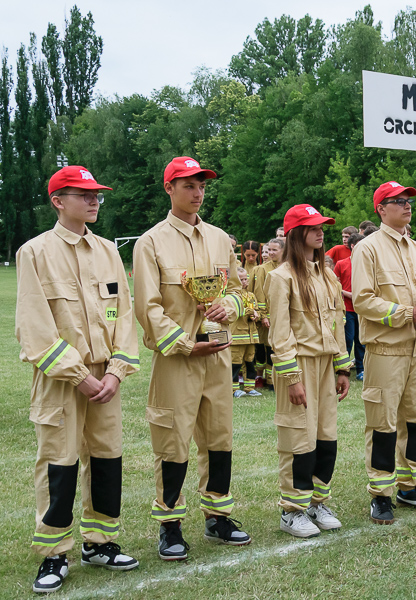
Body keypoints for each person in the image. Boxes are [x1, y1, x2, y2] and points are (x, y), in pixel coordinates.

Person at [16, 166, 141, 593]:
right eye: (83, 194)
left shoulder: (108, 250)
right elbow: (34, 325)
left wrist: (116, 370)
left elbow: (122, 315)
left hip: (106, 377)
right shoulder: (34, 252)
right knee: (59, 463)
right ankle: (54, 553)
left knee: (107, 460)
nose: (93, 201)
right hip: (60, 379)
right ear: (57, 201)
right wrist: (78, 375)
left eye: (97, 195)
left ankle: (100, 542)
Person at [134, 156, 251, 561]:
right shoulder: (150, 242)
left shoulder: (221, 238)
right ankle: (169, 525)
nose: (197, 192)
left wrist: (230, 308)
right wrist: (184, 342)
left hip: (217, 355)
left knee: (219, 438)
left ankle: (218, 516)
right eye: (188, 185)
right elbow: (148, 308)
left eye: (201, 185)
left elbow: (240, 289)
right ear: (169, 188)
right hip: (178, 358)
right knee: (173, 443)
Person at [352, 181, 416, 525]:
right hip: (386, 350)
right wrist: (408, 312)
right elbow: (362, 300)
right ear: (381, 209)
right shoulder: (368, 249)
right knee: (383, 424)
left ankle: (410, 485)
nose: (407, 206)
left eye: (408, 201)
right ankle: (381, 493)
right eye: (398, 201)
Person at [267, 204, 352, 537]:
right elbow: (280, 331)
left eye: (322, 226)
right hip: (298, 364)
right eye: (313, 226)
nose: (320, 231)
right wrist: (291, 377)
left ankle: (318, 502)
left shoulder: (327, 275)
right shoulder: (280, 277)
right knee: (298, 438)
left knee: (325, 436)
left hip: (326, 364)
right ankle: (292, 510)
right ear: (295, 233)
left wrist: (343, 367)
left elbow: (337, 322)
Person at [249, 238, 285, 390]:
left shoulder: (289, 267)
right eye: (268, 250)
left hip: (284, 316)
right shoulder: (261, 270)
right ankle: (269, 380)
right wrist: (263, 316)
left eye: (274, 250)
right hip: (268, 319)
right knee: (267, 348)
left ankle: (279, 378)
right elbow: (259, 295)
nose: (270, 253)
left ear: (283, 251)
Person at [333, 233, 366, 381]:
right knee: (347, 339)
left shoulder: (367, 263)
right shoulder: (341, 264)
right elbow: (334, 286)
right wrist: (350, 294)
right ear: (353, 246)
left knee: (361, 340)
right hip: (347, 309)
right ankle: (343, 369)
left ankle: (361, 369)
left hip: (363, 309)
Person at [230, 267, 263, 399]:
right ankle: (234, 389)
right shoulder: (231, 296)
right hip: (237, 335)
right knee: (235, 363)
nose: (244, 282)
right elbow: (233, 312)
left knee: (250, 361)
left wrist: (257, 315)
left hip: (251, 335)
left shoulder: (251, 295)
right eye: (241, 279)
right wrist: (248, 312)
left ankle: (250, 388)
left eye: (246, 279)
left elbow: (257, 310)